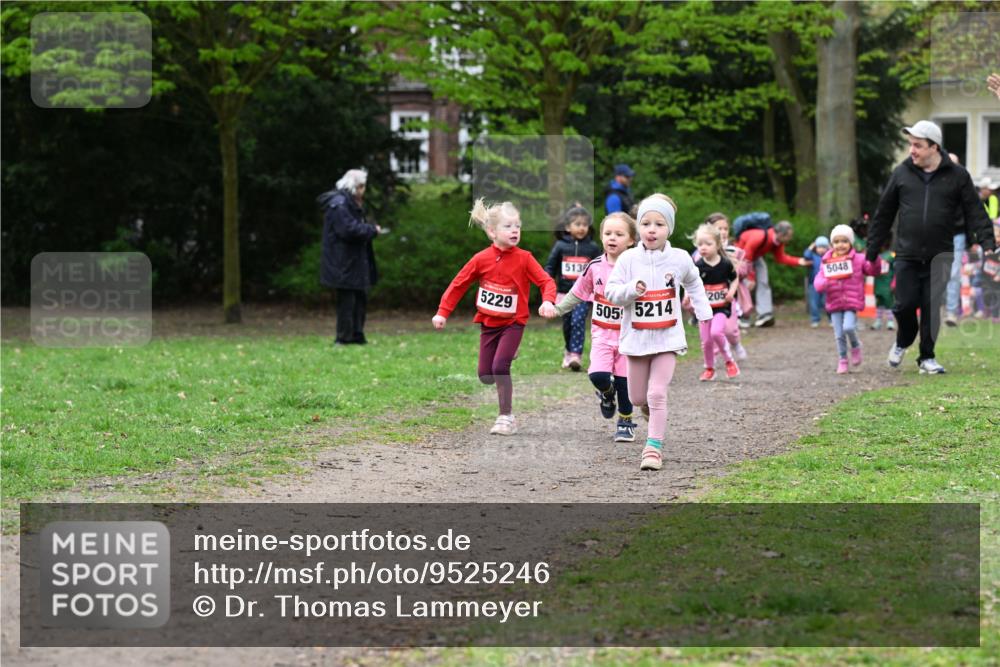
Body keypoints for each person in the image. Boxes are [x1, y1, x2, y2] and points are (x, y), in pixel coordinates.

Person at [866, 120, 996, 374]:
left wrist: (987, 242)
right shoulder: (901, 173)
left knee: (930, 308)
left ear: (934, 147)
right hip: (907, 253)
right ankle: (903, 340)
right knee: (904, 305)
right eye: (910, 145)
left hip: (941, 255)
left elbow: (975, 211)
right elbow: (884, 213)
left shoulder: (957, 175)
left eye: (917, 145)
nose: (911, 150)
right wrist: (872, 250)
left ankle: (927, 357)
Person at [605, 194, 712, 471]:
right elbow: (611, 292)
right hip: (637, 340)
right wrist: (631, 290)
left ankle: (653, 448)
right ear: (638, 227)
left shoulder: (679, 258)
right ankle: (648, 410)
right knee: (638, 398)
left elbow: (694, 283)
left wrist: (703, 311)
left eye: (659, 224)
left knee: (656, 393)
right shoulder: (628, 259)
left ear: (669, 229)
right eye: (646, 224)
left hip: (667, 339)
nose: (652, 230)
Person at [432, 199, 557, 435]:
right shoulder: (481, 259)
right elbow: (459, 284)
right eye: (508, 226)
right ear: (492, 232)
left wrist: (548, 300)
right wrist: (442, 312)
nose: (515, 231)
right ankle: (507, 353)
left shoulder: (524, 258)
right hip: (489, 324)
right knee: (486, 375)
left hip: (513, 322)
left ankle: (506, 417)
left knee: (500, 367)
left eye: (518, 226)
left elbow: (546, 281)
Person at [550, 212, 638, 442]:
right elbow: (577, 292)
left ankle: (626, 421)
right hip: (602, 334)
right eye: (608, 233)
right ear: (601, 237)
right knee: (598, 375)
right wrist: (558, 309)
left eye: (619, 234)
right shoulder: (595, 266)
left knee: (624, 382)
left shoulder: (637, 267)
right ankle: (607, 393)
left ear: (631, 240)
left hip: (629, 336)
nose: (612, 238)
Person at [319, 168, 380, 345]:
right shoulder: (339, 204)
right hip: (343, 262)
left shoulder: (348, 203)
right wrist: (371, 230)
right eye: (362, 186)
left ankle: (357, 335)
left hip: (353, 260)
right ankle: (343, 337)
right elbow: (348, 230)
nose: (364, 190)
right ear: (357, 187)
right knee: (347, 301)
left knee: (359, 297)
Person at [813, 225, 882, 374]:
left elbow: (872, 270)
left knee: (848, 327)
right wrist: (823, 283)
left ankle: (856, 346)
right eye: (836, 241)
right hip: (834, 302)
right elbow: (819, 280)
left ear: (850, 243)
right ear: (832, 244)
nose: (840, 245)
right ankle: (843, 360)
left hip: (851, 301)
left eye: (844, 241)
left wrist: (875, 258)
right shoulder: (827, 261)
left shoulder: (859, 259)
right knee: (838, 334)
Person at [545, 206, 602, 371]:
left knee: (578, 321)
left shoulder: (592, 248)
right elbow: (550, 266)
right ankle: (568, 351)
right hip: (564, 293)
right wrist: (547, 282)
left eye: (584, 225)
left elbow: (600, 268)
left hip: (584, 295)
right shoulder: (560, 246)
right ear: (568, 227)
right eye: (577, 224)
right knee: (568, 324)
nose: (582, 228)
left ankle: (576, 355)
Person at [735, 218, 811, 328]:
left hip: (754, 257)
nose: (790, 239)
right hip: (741, 256)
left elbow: (781, 258)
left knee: (763, 280)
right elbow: (747, 254)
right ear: (780, 234)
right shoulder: (760, 236)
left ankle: (764, 313)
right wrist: (751, 277)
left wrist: (799, 261)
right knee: (745, 284)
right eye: (788, 236)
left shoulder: (778, 243)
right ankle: (742, 314)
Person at [698, 213, 750, 361]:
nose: (723, 232)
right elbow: (693, 276)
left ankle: (735, 343)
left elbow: (744, 271)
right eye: (718, 228)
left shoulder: (735, 251)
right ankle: (713, 356)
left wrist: (736, 266)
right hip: (708, 299)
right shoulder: (701, 252)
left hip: (727, 297)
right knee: (712, 330)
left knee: (730, 329)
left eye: (725, 228)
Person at [692, 223, 740, 381]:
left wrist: (731, 292)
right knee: (706, 341)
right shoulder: (698, 266)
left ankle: (729, 362)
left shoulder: (725, 264)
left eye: (708, 244)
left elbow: (735, 279)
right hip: (704, 310)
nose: (703, 247)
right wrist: (689, 297)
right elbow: (691, 284)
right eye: (700, 244)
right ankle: (709, 368)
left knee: (716, 332)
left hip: (721, 307)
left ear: (718, 245)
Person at [944, 153, 967, 327]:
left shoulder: (963, 185)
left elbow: (971, 211)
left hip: (957, 234)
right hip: (936, 234)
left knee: (953, 273)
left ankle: (951, 311)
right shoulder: (933, 183)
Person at [803, 236, 830, 328]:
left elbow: (836, 254)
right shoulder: (813, 257)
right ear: (816, 247)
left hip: (827, 284)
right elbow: (806, 255)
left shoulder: (829, 257)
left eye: (824, 247)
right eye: (819, 247)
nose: (821, 249)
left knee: (827, 302)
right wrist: (811, 247)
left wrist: (830, 248)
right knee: (814, 303)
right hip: (813, 284)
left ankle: (831, 319)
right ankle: (815, 320)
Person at [871, 238, 896, 331]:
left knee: (889, 302)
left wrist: (894, 281)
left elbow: (896, 268)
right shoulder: (876, 256)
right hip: (878, 283)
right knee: (879, 302)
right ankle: (878, 321)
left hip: (887, 283)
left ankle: (890, 321)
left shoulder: (892, 255)